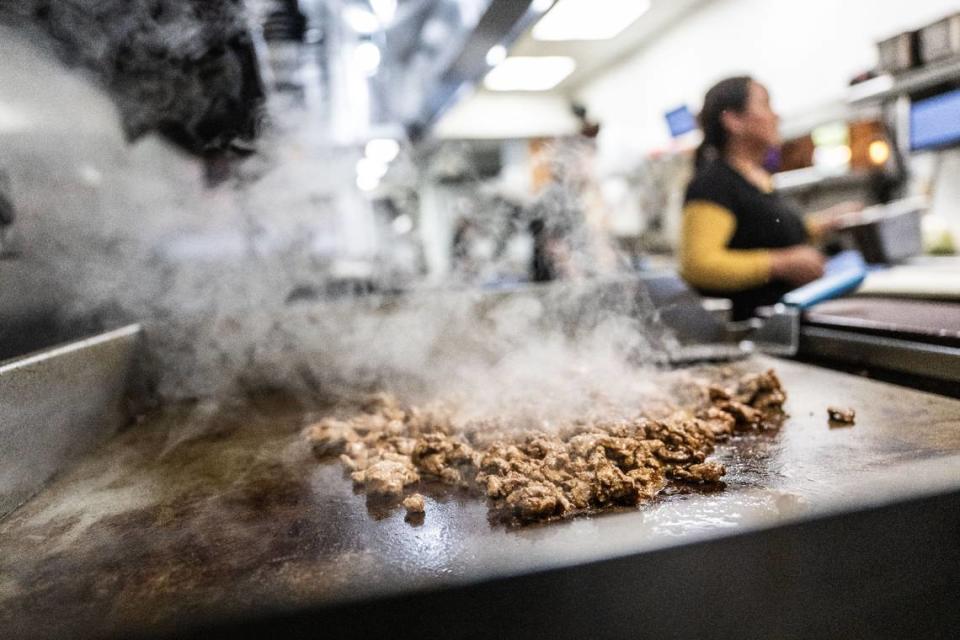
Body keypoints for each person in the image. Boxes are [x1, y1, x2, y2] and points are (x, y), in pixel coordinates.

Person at [679, 76, 858, 320]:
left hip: (787, 320)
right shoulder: (713, 183)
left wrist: (825, 223)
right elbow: (699, 265)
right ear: (733, 120)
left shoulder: (757, 177)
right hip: (753, 331)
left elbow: (764, 232)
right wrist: (780, 264)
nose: (776, 116)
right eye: (765, 105)